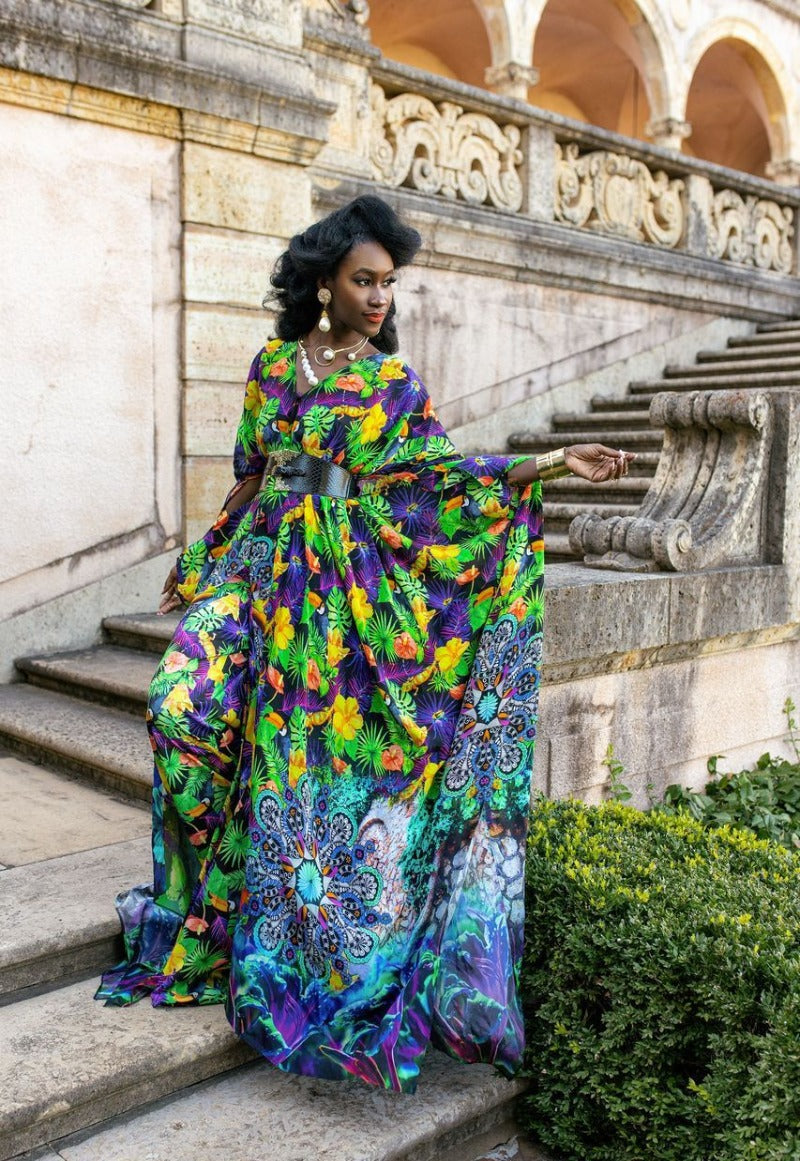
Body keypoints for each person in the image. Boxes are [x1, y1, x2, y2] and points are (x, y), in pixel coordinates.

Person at [97, 195, 634, 1093]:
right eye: (365, 280)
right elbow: (250, 479)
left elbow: (445, 477)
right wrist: (203, 562)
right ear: (324, 283)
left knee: (300, 772)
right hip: (258, 572)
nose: (381, 297)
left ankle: (286, 952)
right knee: (179, 713)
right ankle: (204, 911)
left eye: (389, 283)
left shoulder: (395, 386)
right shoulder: (270, 368)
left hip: (338, 595)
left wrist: (547, 465)